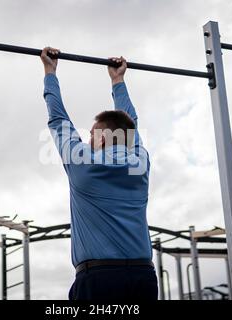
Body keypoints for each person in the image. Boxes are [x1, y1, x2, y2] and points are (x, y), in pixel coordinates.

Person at [40, 47, 157, 300]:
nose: (87, 138)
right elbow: (130, 123)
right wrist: (118, 80)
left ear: (103, 138)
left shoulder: (83, 162)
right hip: (144, 278)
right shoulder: (141, 162)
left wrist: (50, 71)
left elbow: (58, 119)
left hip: (100, 280)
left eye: (91, 134)